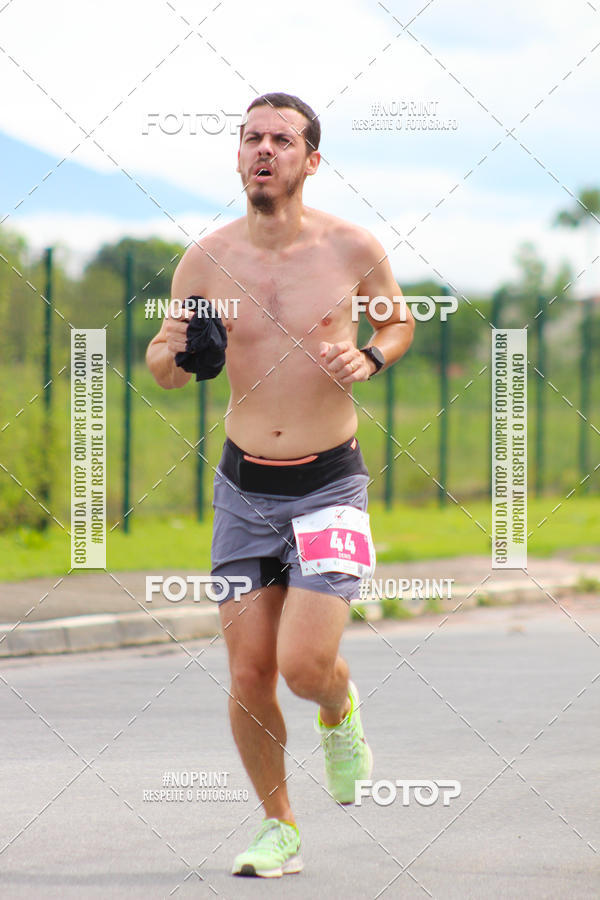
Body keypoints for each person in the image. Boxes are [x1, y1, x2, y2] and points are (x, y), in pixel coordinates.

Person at [146, 92, 414, 878]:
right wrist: (186, 357)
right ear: (238, 156)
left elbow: (396, 322)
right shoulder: (206, 258)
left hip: (330, 485)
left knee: (303, 668)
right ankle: (279, 828)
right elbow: (163, 363)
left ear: (311, 159)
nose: (265, 150)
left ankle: (339, 708)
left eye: (282, 139)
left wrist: (371, 356)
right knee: (249, 672)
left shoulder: (350, 247)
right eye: (251, 138)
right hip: (243, 491)